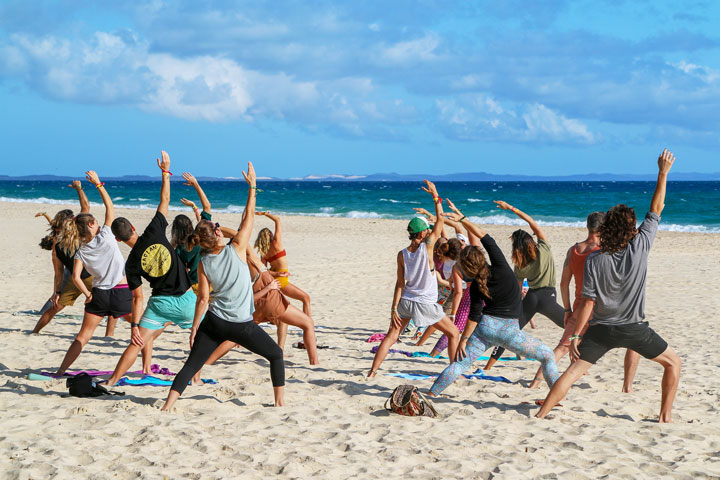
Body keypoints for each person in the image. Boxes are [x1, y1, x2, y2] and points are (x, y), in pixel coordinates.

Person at [537, 149, 682, 423]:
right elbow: (656, 209)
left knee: (571, 373)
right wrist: (663, 173)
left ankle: (542, 413)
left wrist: (576, 336)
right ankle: (665, 418)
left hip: (601, 330)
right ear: (632, 229)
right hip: (633, 328)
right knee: (673, 363)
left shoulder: (593, 259)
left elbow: (588, 302)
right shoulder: (640, 246)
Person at [161, 162, 286, 410]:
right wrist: (252, 186)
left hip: (214, 322)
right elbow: (248, 216)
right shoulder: (237, 248)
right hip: (240, 325)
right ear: (217, 235)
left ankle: (168, 405)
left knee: (192, 364)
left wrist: (195, 326)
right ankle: (280, 403)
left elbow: (203, 299)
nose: (220, 229)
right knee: (275, 355)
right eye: (217, 228)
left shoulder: (204, 262)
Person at [427, 202, 559, 397]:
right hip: (509, 332)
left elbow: (474, 315)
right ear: (481, 256)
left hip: (484, 330)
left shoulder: (475, 284)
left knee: (460, 365)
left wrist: (464, 340)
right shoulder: (501, 267)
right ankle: (555, 397)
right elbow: (485, 237)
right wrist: (462, 220)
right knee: (547, 356)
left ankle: (431, 394)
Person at [104, 152, 198, 386]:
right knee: (200, 337)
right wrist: (166, 172)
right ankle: (195, 377)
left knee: (136, 343)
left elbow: (137, 298)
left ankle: (113, 380)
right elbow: (165, 200)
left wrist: (134, 326)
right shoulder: (154, 230)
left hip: (160, 305)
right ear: (134, 227)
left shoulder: (131, 263)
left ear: (117, 240)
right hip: (187, 300)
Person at [367, 181, 460, 377]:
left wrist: (393, 308)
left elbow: (400, 284)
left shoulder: (402, 254)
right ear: (423, 233)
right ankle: (454, 372)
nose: (429, 231)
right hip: (425, 303)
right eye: (427, 229)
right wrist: (436, 195)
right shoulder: (426, 246)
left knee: (391, 336)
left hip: (406, 301)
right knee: (453, 333)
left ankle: (373, 371)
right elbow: (441, 220)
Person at [55, 171, 132, 376]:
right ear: (91, 224)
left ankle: (61, 370)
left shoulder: (81, 251)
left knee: (83, 336)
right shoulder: (107, 234)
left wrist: (88, 295)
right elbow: (110, 206)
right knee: (141, 327)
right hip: (121, 291)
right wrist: (99, 184)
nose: (98, 223)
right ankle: (144, 366)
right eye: (95, 222)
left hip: (98, 295)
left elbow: (75, 277)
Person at [527, 212, 614, 388]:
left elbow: (564, 283)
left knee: (567, 345)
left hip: (580, 304)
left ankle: (538, 381)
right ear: (603, 228)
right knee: (566, 346)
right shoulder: (604, 250)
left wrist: (567, 309)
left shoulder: (574, 250)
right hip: (600, 306)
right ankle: (537, 380)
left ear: (588, 226)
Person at [198, 246, 320, 368]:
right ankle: (314, 363)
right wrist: (218, 228)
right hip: (268, 297)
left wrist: (275, 274)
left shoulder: (233, 263)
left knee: (237, 335)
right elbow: (237, 233)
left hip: (255, 302)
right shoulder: (248, 255)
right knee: (308, 323)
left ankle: (208, 362)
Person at [485, 201, 565, 370]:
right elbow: (532, 222)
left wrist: (514, 305)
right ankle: (581, 366)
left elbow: (517, 288)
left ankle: (488, 366)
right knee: (572, 328)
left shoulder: (520, 264)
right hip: (547, 298)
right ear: (530, 241)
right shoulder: (544, 248)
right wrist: (511, 208)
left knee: (508, 333)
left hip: (531, 299)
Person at [33, 181, 93, 333]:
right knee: (115, 304)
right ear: (72, 220)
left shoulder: (57, 245)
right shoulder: (80, 232)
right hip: (94, 276)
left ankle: (35, 331)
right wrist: (79, 188)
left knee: (55, 307)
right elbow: (86, 206)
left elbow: (58, 274)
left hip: (75, 279)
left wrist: (56, 293)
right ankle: (109, 334)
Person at [254, 211, 312, 349]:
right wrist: (265, 214)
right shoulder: (277, 243)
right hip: (282, 281)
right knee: (305, 298)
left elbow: (263, 271)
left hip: (275, 282)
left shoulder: (264, 252)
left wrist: (274, 272)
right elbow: (278, 220)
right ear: (270, 236)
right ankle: (307, 327)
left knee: (275, 317)